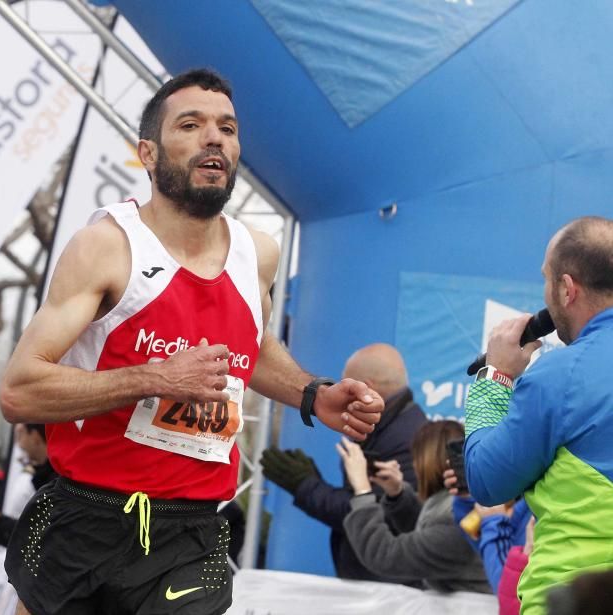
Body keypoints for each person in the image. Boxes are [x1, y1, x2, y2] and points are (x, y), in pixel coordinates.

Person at [0, 68, 384, 615]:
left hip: (190, 531)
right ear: (148, 154)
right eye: (191, 125)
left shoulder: (259, 254)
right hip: (86, 516)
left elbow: (253, 345)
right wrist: (153, 378)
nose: (214, 138)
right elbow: (19, 390)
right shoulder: (107, 248)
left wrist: (311, 393)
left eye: (227, 128)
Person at [464, 216, 613, 613]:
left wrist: (495, 377)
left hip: (576, 598)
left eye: (547, 279)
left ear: (567, 289)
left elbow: (485, 479)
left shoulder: (562, 375)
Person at [260, 343, 427, 581]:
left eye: (344, 387)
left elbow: (375, 516)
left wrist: (307, 486)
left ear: (366, 388)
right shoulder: (393, 426)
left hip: (386, 589)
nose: (338, 395)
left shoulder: (406, 439)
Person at [339, 421, 490, 593]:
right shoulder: (459, 504)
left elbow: (385, 555)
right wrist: (397, 494)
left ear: (422, 462)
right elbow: (428, 536)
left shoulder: (456, 521)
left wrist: (362, 491)